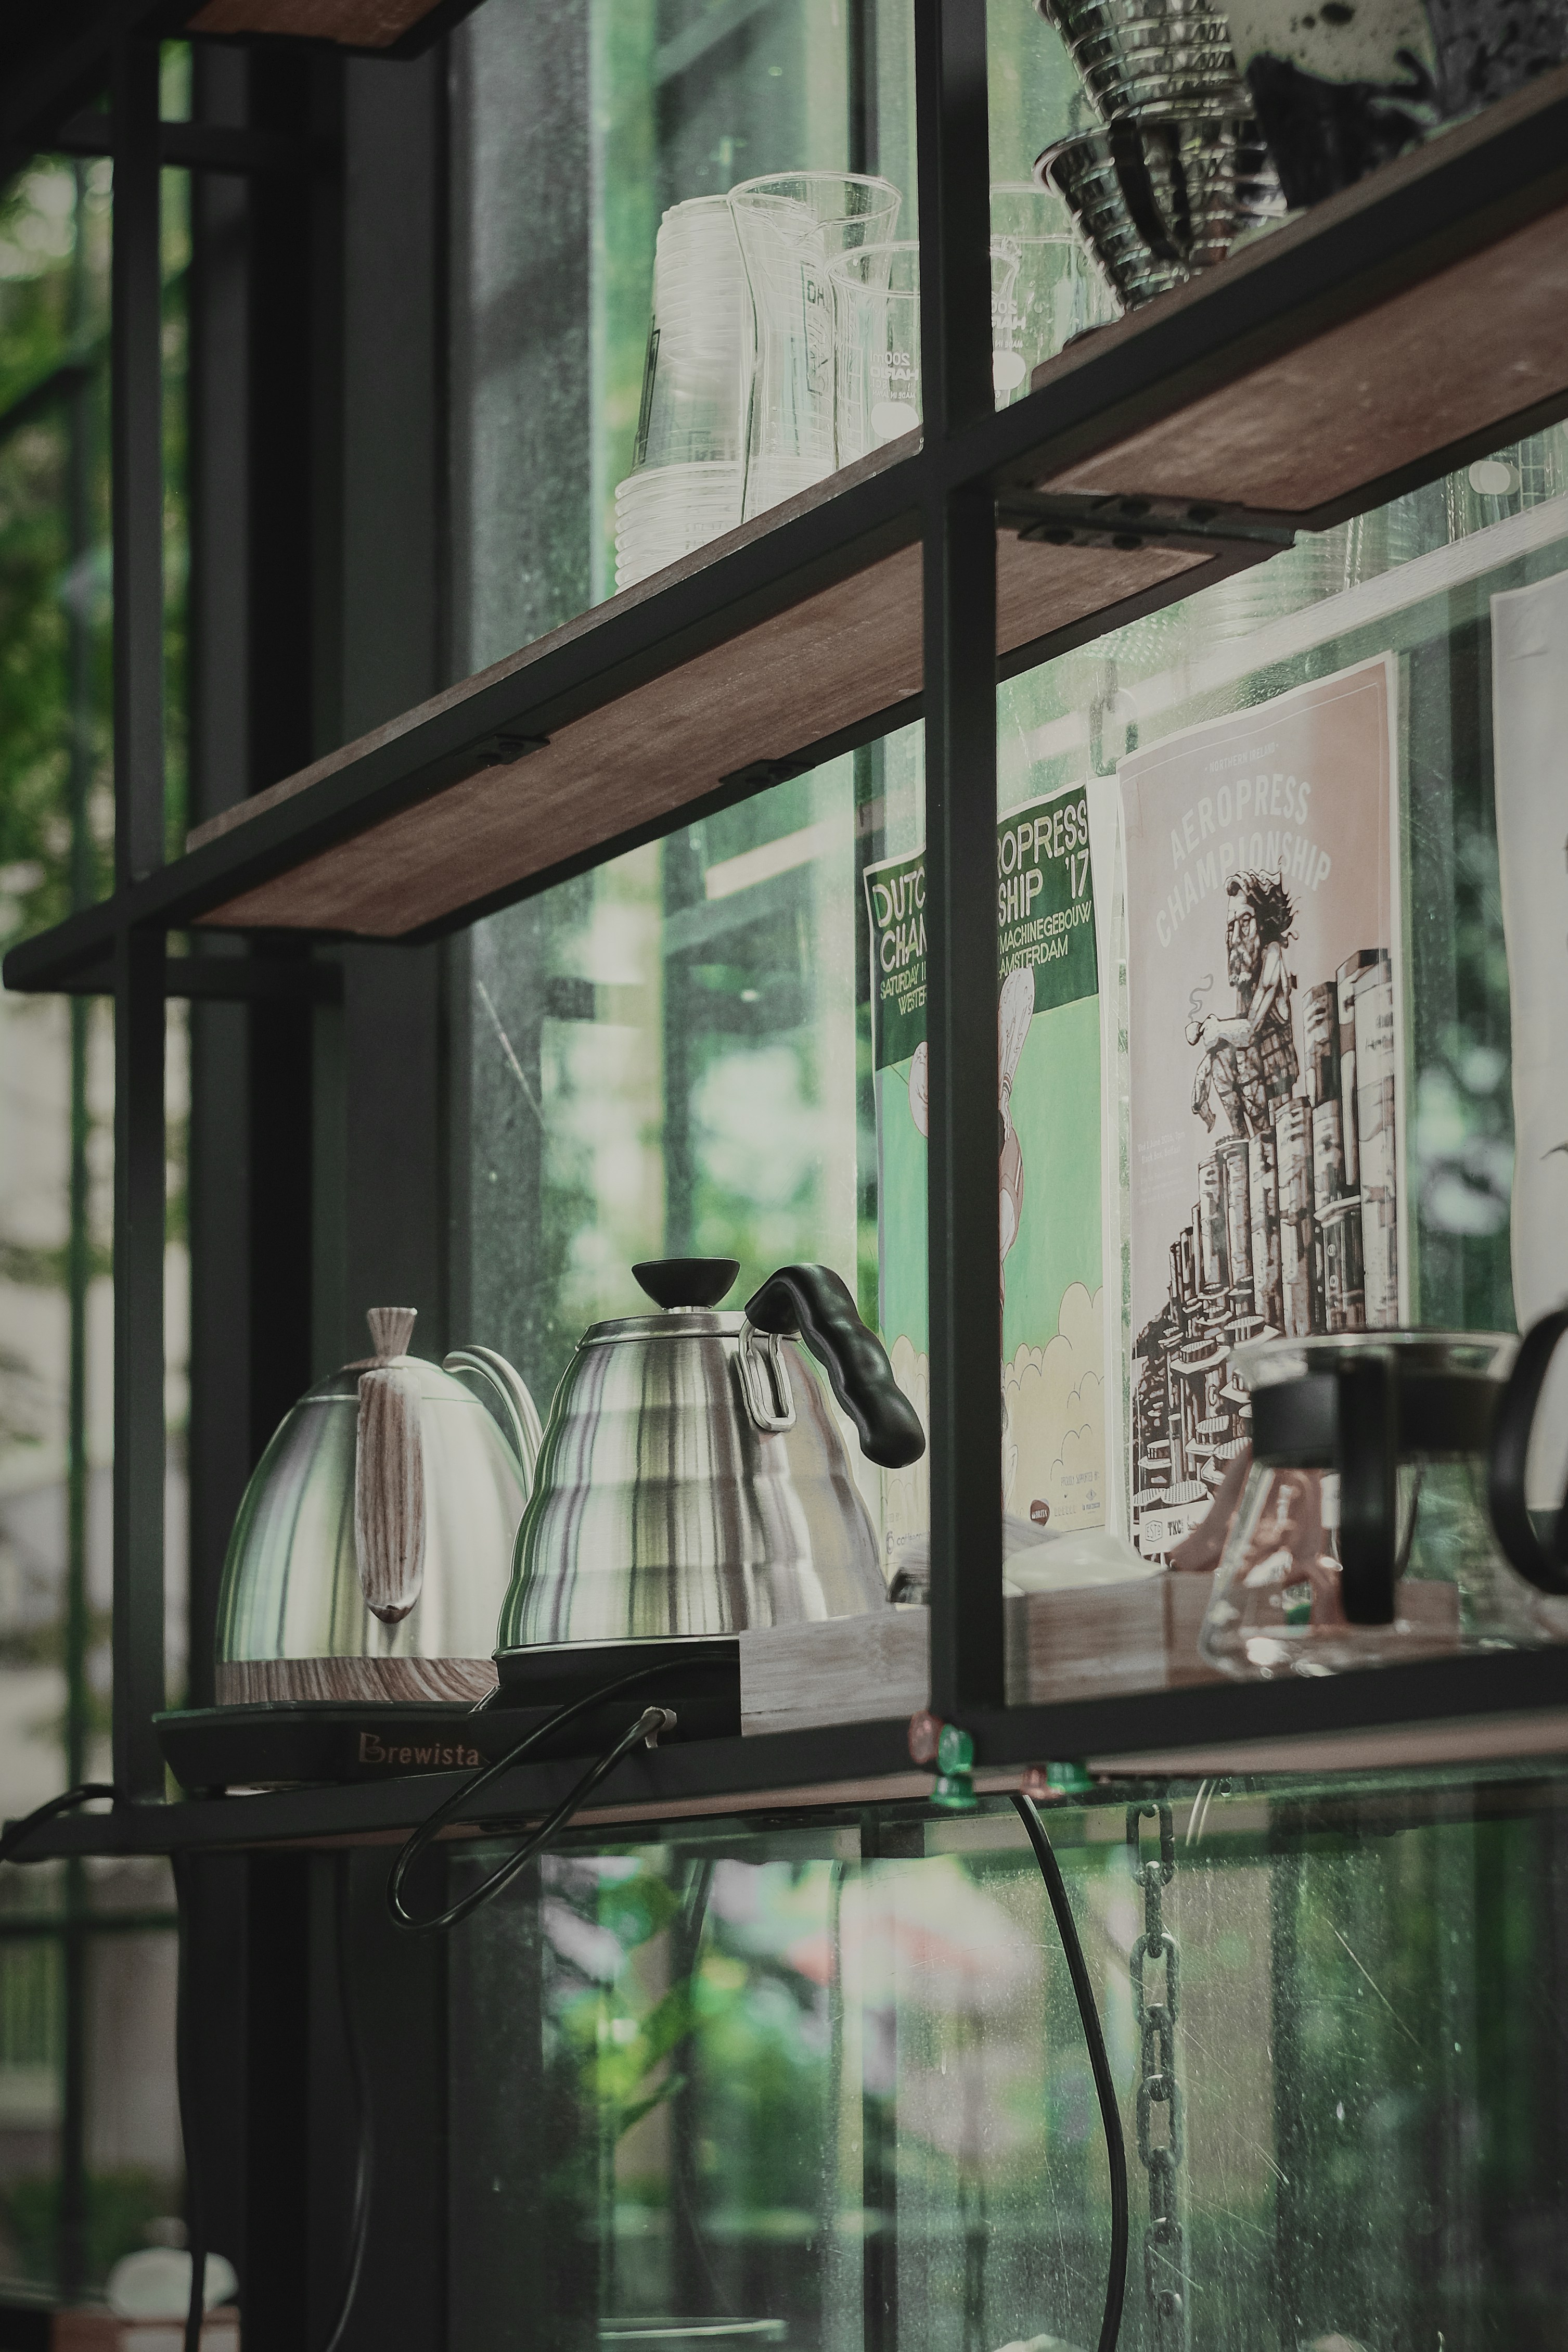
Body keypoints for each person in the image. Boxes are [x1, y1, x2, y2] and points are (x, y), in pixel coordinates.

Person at [1188, 868, 1299, 1138]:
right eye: (1231, 926)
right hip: (1256, 1074)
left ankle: (1263, 1142)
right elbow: (1236, 1037)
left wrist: (1215, 1031)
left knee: (1238, 1052)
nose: (1236, 934)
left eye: (1245, 921)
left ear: (1261, 923)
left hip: (1277, 1079)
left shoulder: (1272, 955)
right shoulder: (1244, 976)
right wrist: (1206, 1062)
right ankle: (1243, 1141)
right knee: (1221, 1061)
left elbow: (1249, 1031)